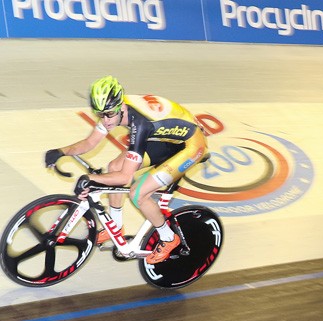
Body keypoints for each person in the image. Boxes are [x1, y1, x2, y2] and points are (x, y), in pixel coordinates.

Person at [44, 75, 208, 264]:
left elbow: (125, 177)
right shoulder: (113, 108)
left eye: (109, 115)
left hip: (192, 145)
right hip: (168, 138)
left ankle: (169, 238)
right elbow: (90, 142)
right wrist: (61, 151)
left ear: (121, 106)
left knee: (138, 192)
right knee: (113, 167)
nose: (105, 121)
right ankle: (115, 226)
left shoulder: (140, 123)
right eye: (100, 114)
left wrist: (90, 178)